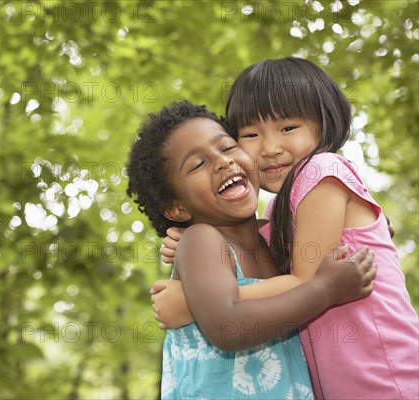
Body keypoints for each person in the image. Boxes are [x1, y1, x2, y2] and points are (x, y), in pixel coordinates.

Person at [152, 58, 419, 399]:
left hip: (385, 375)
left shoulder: (321, 171)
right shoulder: (279, 207)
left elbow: (305, 282)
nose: (270, 147)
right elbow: (253, 257)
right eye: (250, 134)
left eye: (288, 128)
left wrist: (194, 303)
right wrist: (196, 247)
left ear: (323, 123)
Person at [126, 100, 376, 399]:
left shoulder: (275, 242)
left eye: (227, 147)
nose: (222, 161)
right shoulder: (201, 239)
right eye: (198, 164)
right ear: (178, 208)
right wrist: (325, 289)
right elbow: (227, 327)